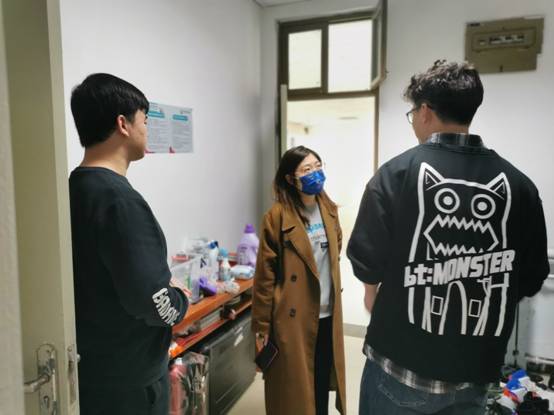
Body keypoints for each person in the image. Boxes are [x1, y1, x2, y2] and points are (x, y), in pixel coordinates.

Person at [347, 60, 549, 414]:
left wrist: (371, 293)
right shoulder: (520, 187)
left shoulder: (396, 174)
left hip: (400, 367)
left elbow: (367, 260)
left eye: (412, 113)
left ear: (425, 111)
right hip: (476, 372)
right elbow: (532, 276)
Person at [69, 73, 189, 415]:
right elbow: (154, 302)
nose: (147, 129)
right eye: (145, 120)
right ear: (123, 124)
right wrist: (179, 297)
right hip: (130, 382)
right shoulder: (119, 201)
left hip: (92, 371)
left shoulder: (74, 187)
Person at [252, 146, 347, 415]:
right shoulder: (276, 217)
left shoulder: (329, 209)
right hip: (293, 316)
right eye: (306, 169)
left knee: (321, 378)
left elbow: (335, 252)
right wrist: (261, 327)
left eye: (318, 166)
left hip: (328, 313)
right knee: (295, 386)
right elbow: (265, 277)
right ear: (290, 179)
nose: (315, 173)